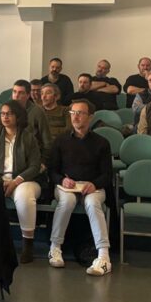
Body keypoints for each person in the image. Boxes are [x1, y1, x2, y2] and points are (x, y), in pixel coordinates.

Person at [47, 99, 113, 277]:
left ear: (90, 117)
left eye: (80, 113)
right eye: (72, 113)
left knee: (92, 204)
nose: (75, 116)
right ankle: (55, 247)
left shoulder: (102, 143)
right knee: (67, 201)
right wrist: (62, 180)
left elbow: (107, 174)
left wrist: (94, 184)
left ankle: (104, 256)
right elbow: (51, 170)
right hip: (66, 186)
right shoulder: (60, 140)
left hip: (92, 187)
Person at [0, 100, 43, 263]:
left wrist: (15, 181)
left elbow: (35, 166)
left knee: (24, 197)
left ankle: (27, 243)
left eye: (9, 113)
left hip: (24, 179)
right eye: (2, 113)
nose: (5, 117)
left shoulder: (29, 138)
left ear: (18, 116)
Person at [10, 80, 52, 154]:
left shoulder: (37, 111)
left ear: (28, 95)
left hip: (31, 154)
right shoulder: (6, 109)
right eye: (14, 92)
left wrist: (44, 161)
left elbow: (47, 140)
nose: (16, 96)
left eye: (21, 93)